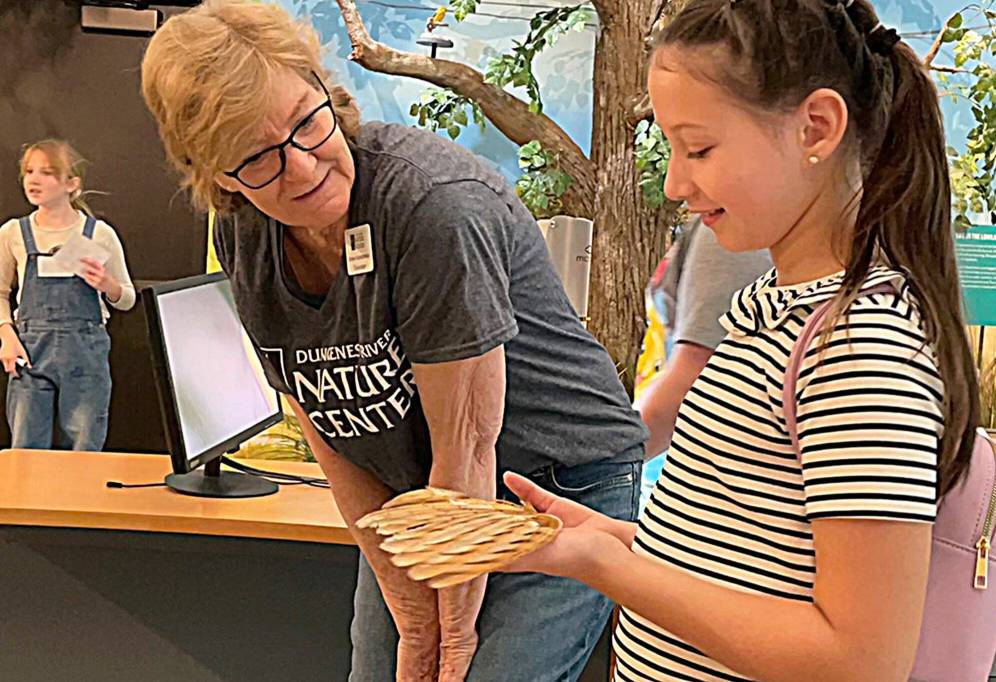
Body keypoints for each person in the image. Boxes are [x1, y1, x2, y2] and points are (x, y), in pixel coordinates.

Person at [139, 2, 647, 680]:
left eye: (306, 123)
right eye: (257, 159)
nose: (302, 168)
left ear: (324, 89)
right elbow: (326, 427)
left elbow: (468, 448)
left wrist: (449, 639)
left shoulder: (434, 206)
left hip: (555, 476)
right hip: (416, 490)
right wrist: (412, 621)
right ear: (217, 175)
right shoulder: (245, 235)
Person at [502, 1, 980, 680]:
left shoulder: (860, 348)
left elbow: (862, 659)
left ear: (817, 128)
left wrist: (613, 569)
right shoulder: (774, 312)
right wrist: (614, 540)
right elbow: (745, 567)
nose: (675, 183)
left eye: (698, 148)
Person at [0, 139, 136, 451]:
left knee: (84, 445)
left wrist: (108, 285)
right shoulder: (13, 233)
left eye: (47, 172)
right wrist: (6, 335)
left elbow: (128, 298)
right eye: (29, 171)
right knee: (26, 446)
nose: (34, 180)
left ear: (71, 184)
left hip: (85, 352)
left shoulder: (98, 234)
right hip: (30, 352)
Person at [634, 217, 771, 502]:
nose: (675, 193)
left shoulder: (731, 231)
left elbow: (692, 377)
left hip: (705, 484)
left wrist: (599, 468)